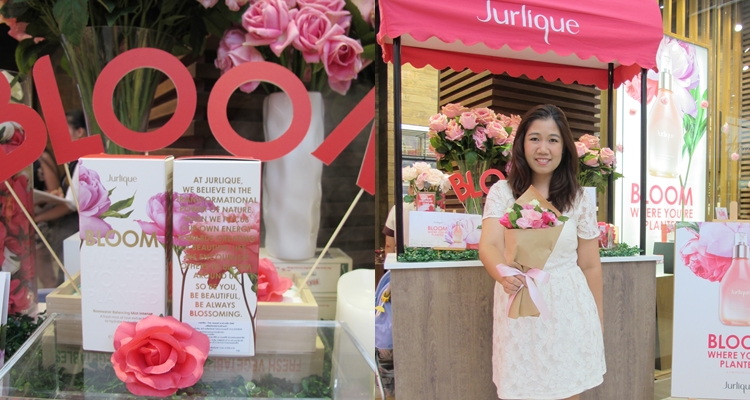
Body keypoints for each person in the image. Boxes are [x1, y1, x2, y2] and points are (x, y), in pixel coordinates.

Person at [478, 104, 605, 400]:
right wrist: (502, 273)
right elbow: (490, 244)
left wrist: (597, 320)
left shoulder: (579, 198)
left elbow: (590, 265)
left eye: (553, 139)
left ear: (564, 147)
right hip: (520, 302)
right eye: (534, 138)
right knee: (523, 389)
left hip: (569, 308)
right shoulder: (502, 193)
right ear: (522, 144)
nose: (543, 148)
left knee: (568, 389)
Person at [34, 110, 86, 286]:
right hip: (67, 232)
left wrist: (37, 218)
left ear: (80, 132)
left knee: (69, 281)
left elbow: (71, 204)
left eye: (64, 130)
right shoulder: (73, 161)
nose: (58, 136)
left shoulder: (83, 161)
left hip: (74, 230)